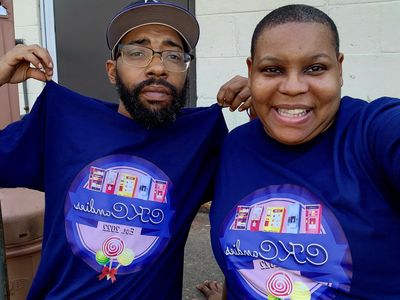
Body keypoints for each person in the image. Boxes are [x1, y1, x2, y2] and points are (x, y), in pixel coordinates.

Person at [0, 1, 250, 299]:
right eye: (137, 52)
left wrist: (267, 102)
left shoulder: (200, 137)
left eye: (173, 55)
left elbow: (266, 189)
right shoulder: (63, 122)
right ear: (111, 70)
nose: (158, 66)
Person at [198, 4, 400, 300]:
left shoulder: (372, 132)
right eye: (273, 69)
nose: (293, 87)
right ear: (250, 71)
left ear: (340, 68)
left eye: (315, 68)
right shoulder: (235, 146)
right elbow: (245, 262)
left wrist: (271, 89)